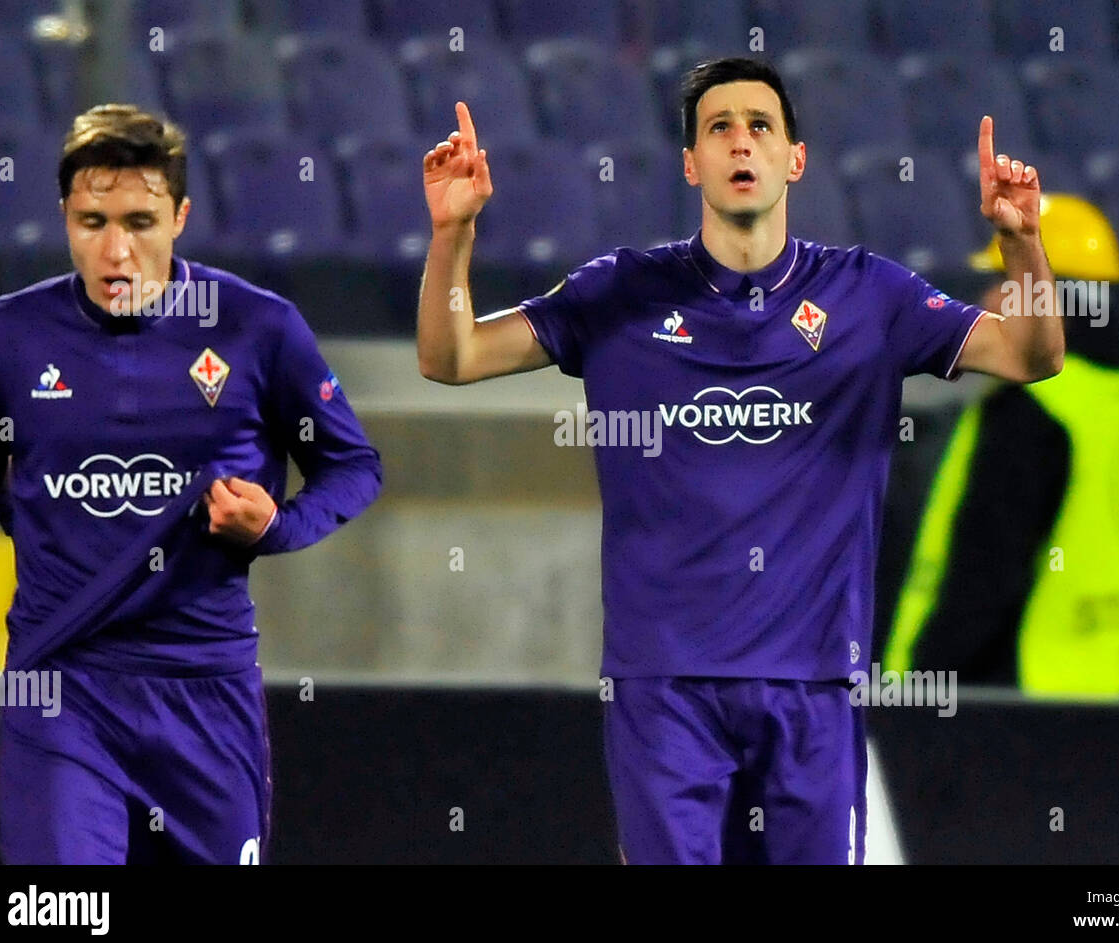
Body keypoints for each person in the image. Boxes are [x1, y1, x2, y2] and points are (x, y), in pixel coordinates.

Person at [417, 57, 1061, 864]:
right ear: (692, 164)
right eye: (718, 128)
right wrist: (453, 237)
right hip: (665, 693)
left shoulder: (871, 296)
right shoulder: (620, 293)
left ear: (795, 157)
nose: (739, 142)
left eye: (760, 125)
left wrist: (1024, 245)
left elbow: (1032, 356)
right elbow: (453, 356)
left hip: (815, 689)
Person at [0, 104, 383, 863]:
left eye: (140, 221)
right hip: (59, 691)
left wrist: (276, 527)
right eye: (92, 221)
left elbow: (353, 465)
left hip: (204, 690)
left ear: (181, 215)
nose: (116, 250)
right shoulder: (7, 337)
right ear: (63, 217)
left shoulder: (257, 328)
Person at [884, 194, 1119, 702]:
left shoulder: (1031, 413)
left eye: (1002, 281)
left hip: (1033, 724)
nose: (985, 302)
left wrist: (915, 693)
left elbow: (982, 585)